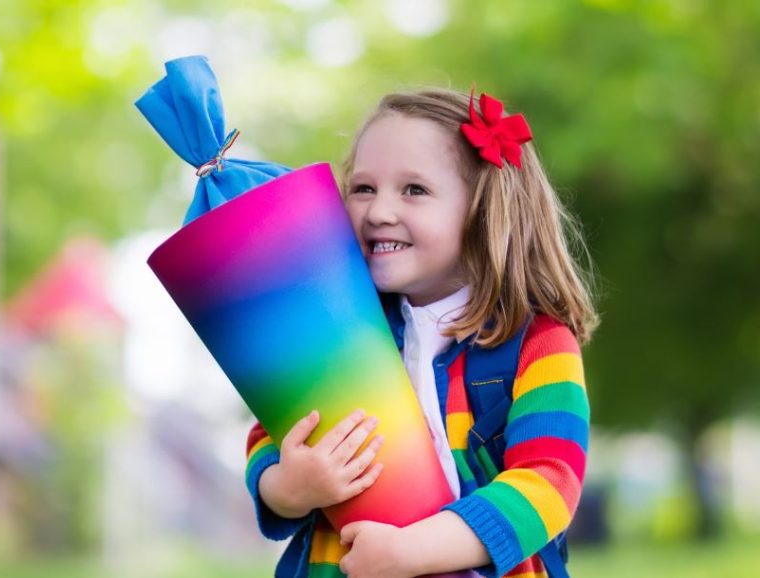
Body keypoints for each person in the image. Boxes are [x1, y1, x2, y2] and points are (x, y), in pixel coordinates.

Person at [244, 87, 598, 578]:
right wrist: (287, 486)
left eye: (414, 190)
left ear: (484, 209)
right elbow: (273, 429)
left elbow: (550, 479)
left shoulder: (536, 341)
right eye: (363, 188)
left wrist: (413, 551)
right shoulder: (336, 328)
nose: (378, 211)